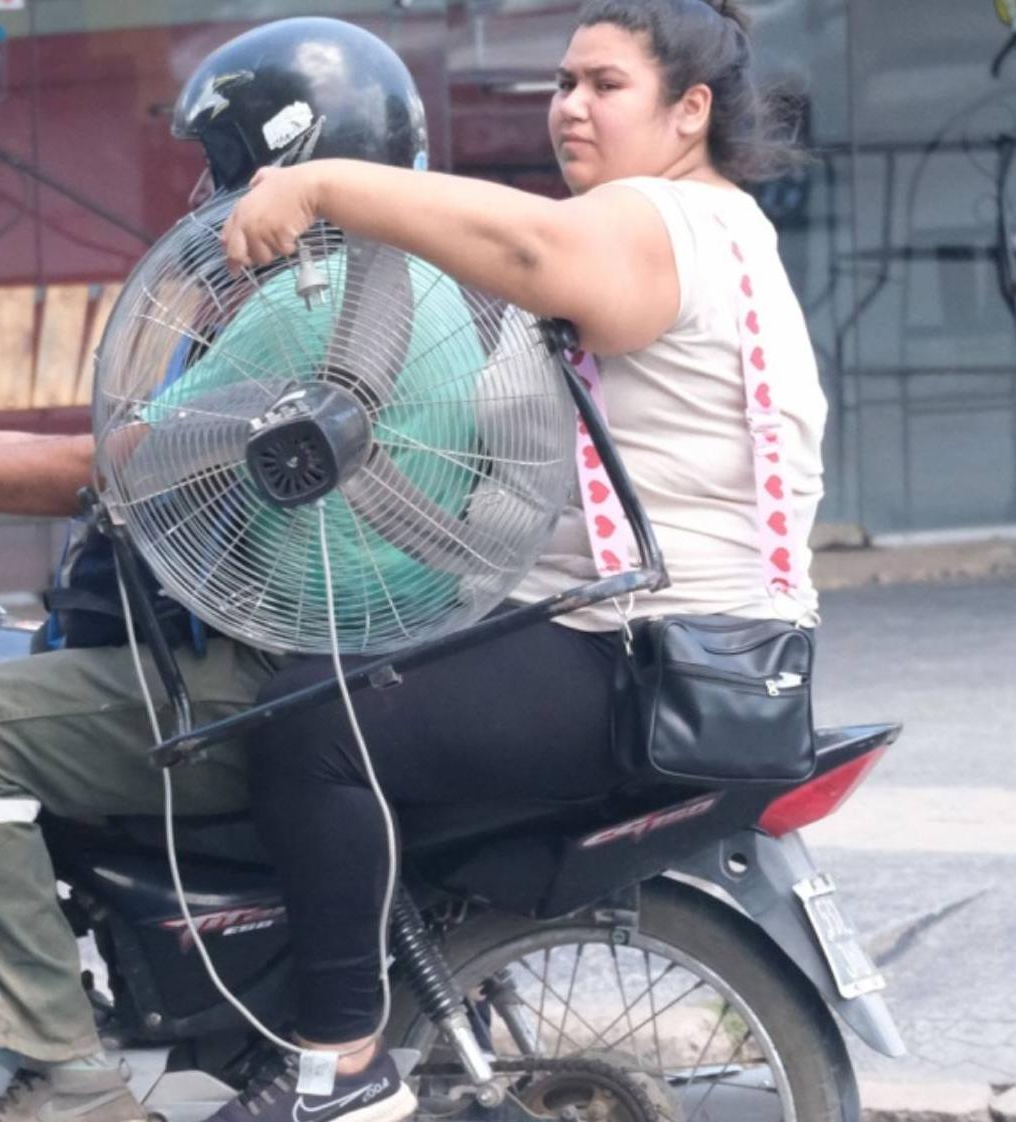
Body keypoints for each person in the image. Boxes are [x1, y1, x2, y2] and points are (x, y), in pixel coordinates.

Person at [0, 18, 438, 1122]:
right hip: (348, 654)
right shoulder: (399, 283)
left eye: (221, 162)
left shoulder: (301, 307)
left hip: (260, 677)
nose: (206, 190)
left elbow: (118, 469)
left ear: (288, 151)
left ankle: (66, 1079)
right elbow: (167, 444)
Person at [204, 1, 824, 1120]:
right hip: (716, 648)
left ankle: (339, 1069)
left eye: (604, 84)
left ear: (690, 112)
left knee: (311, 723)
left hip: (645, 655)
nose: (570, 106)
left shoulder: (658, 220)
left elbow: (531, 248)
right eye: (561, 82)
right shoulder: (726, 230)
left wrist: (322, 186)